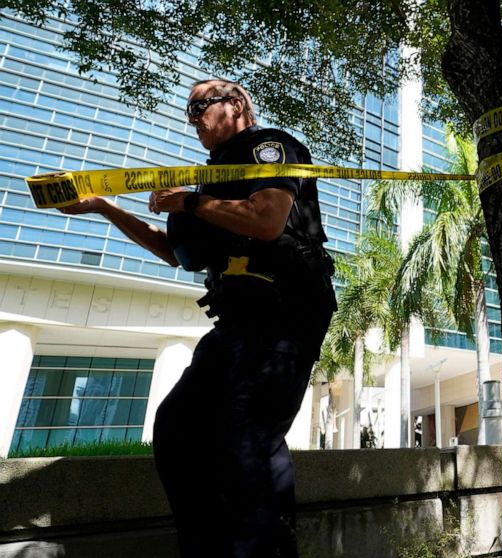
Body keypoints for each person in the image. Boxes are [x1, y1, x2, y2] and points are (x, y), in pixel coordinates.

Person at [59, 79, 336, 557]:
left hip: (285, 314)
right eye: (188, 111)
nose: (192, 120)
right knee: (177, 428)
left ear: (237, 104)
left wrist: (187, 201)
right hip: (234, 324)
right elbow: (174, 253)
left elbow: (266, 220)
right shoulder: (211, 177)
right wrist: (106, 208)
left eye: (199, 107)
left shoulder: (270, 147)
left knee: (245, 436)